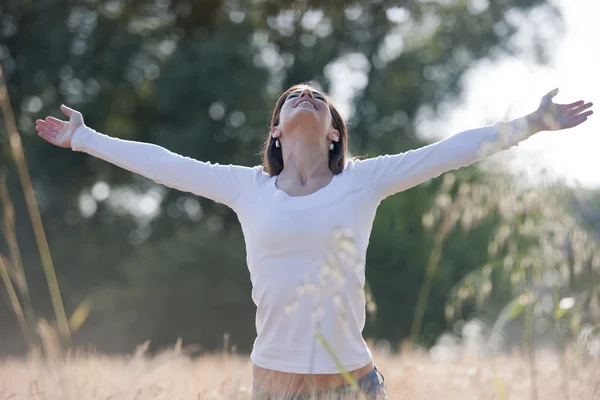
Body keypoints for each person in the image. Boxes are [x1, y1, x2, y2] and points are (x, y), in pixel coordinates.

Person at [36, 84, 593, 399]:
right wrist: (85, 138)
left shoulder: (364, 182)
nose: (304, 95)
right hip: (273, 380)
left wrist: (532, 123)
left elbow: (452, 149)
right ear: (275, 130)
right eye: (292, 96)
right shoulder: (247, 188)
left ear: (334, 131)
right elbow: (166, 165)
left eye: (317, 95)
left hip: (351, 380)